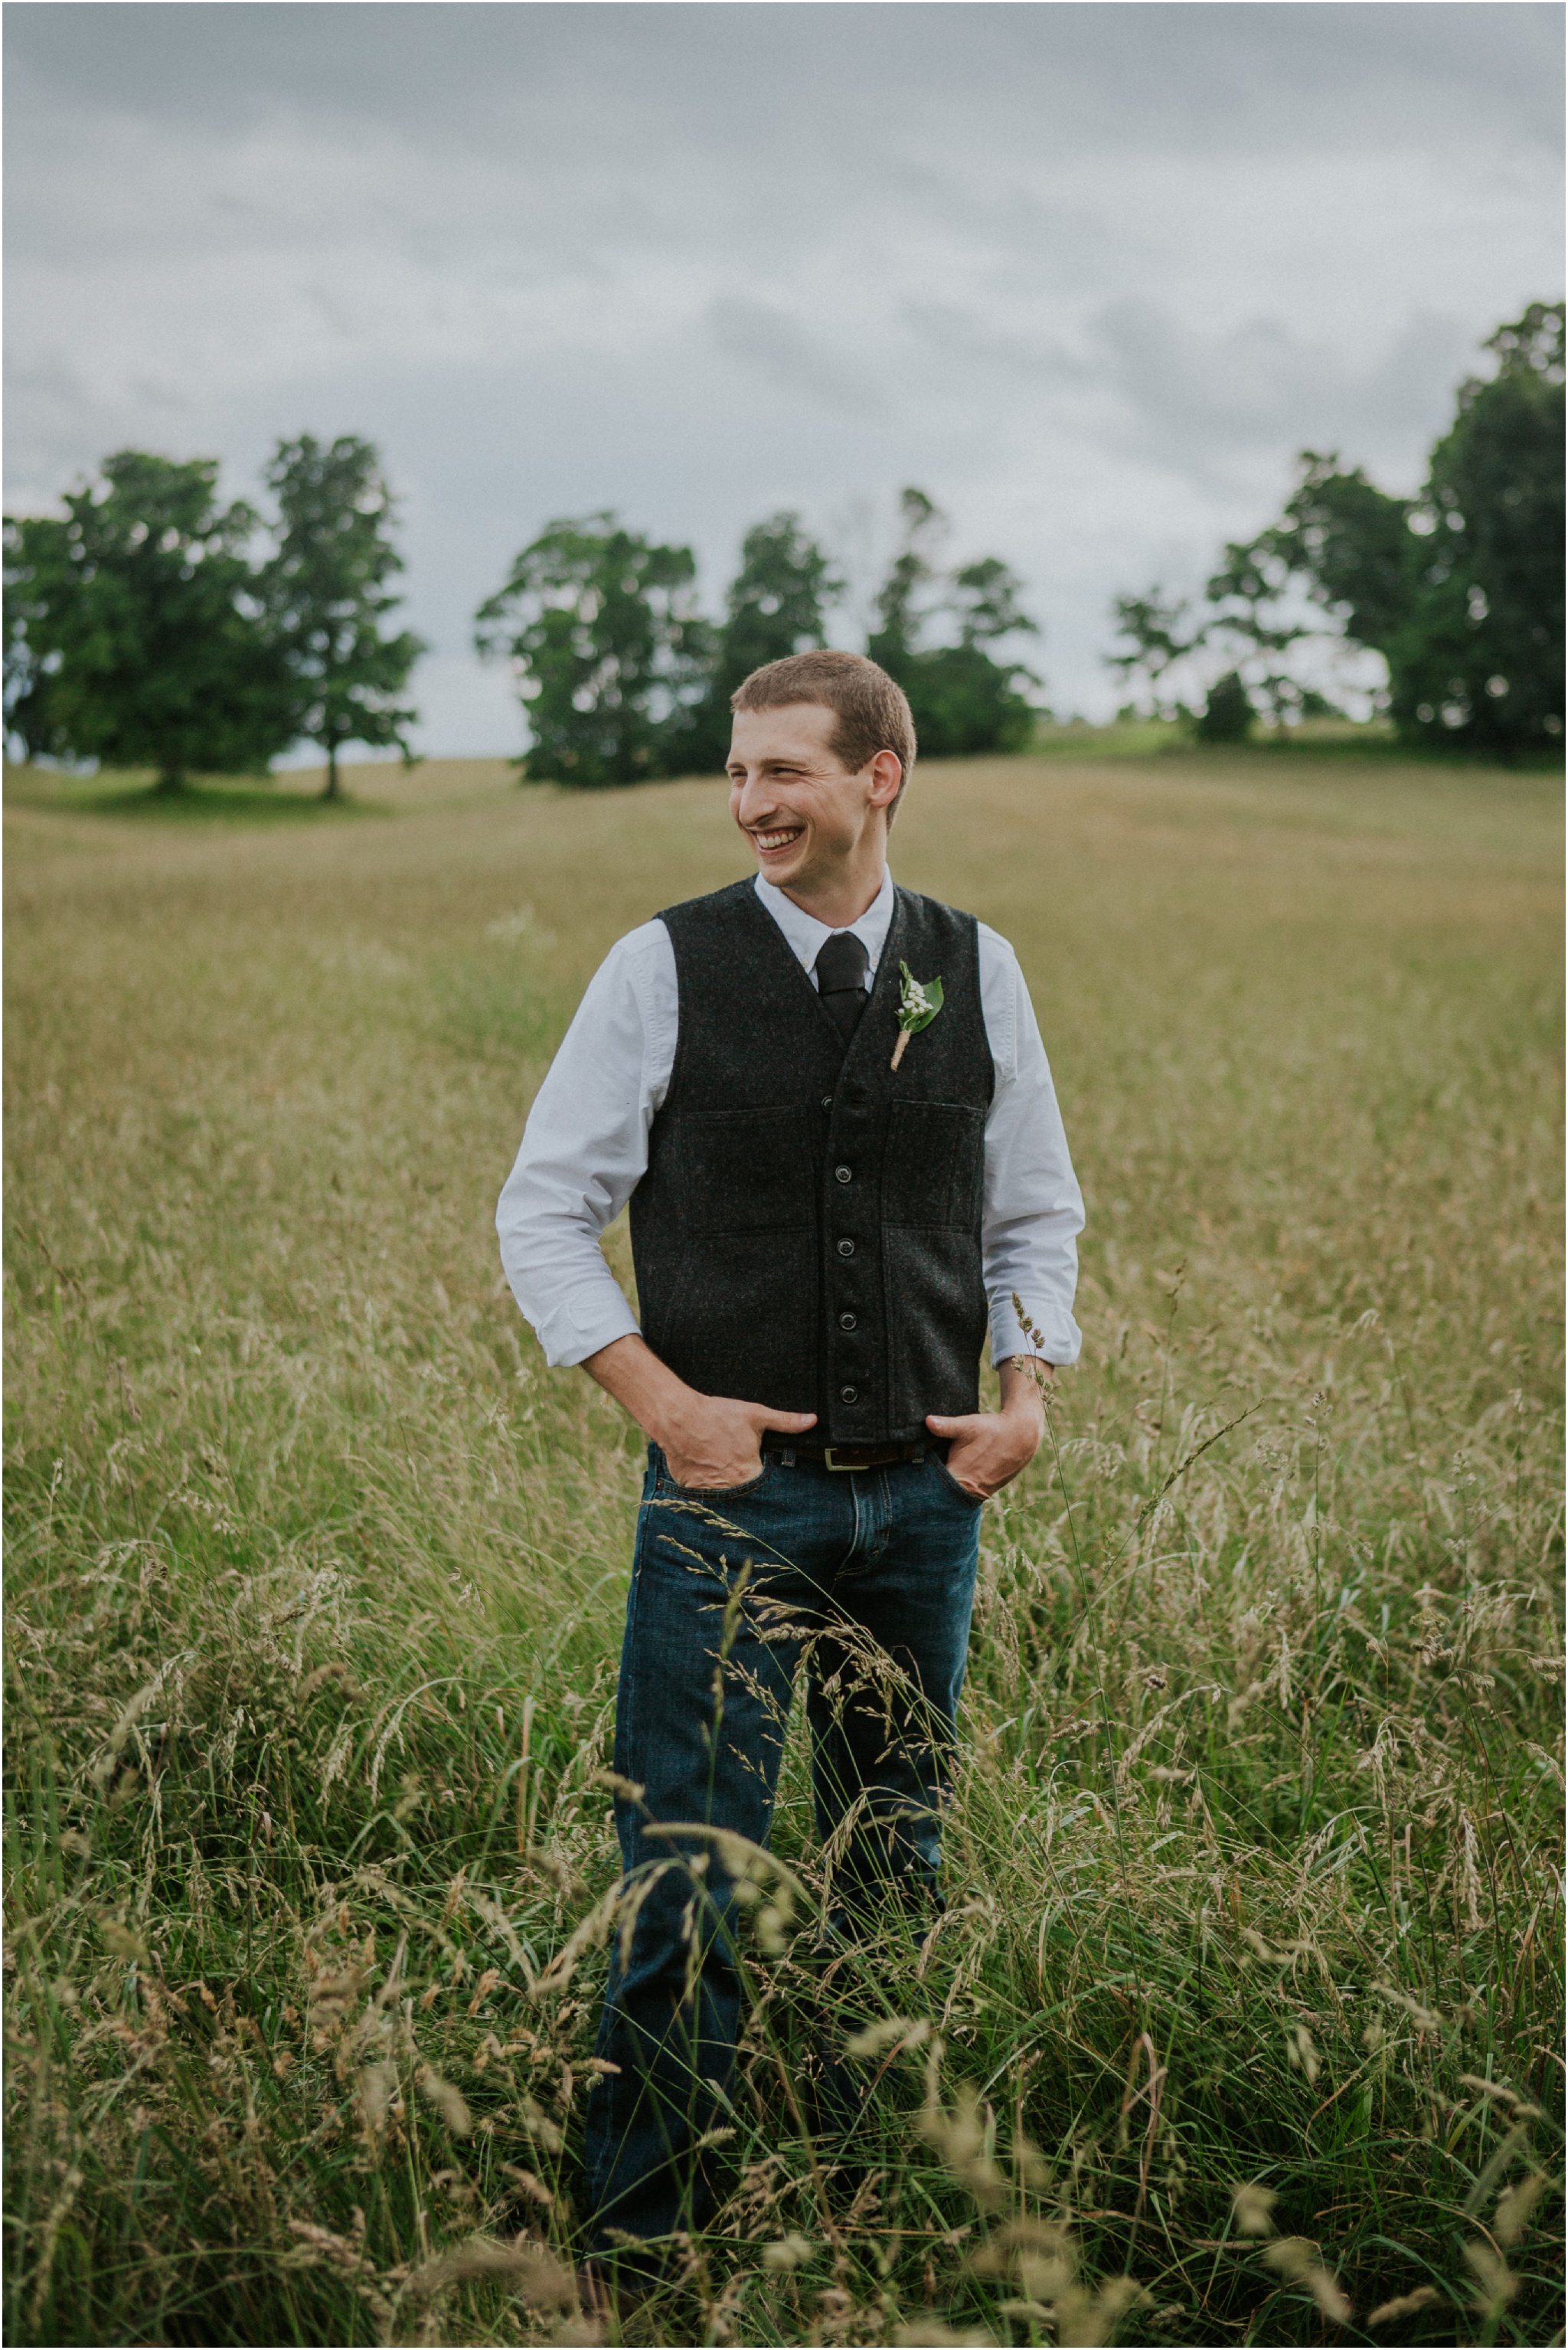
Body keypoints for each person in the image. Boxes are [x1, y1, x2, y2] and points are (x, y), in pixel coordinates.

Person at [496, 649, 1083, 2294]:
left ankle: (859, 2199)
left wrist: (1024, 1393)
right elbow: (541, 1210)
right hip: (727, 1501)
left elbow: (1033, 1209)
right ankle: (641, 2255)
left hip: (926, 1501)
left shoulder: (975, 966)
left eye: (785, 772)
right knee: (687, 1869)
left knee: (890, 1861)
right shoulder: (660, 964)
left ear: (878, 775)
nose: (751, 800)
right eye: (738, 772)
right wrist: (658, 1402)